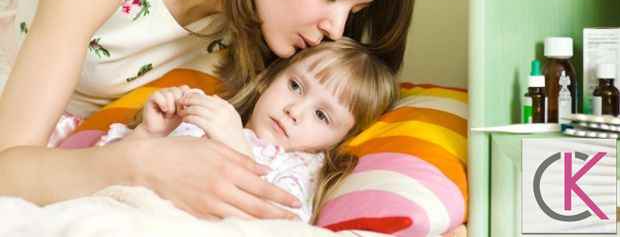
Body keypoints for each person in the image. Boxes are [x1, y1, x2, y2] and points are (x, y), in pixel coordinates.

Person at [0, 0, 416, 219]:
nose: (336, 29)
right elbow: (5, 171)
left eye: (354, 12)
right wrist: (139, 164)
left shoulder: (270, 24)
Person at [93, 38, 397, 223]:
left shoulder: (301, 170)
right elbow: (102, 170)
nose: (294, 111)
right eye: (295, 86)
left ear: (340, 139)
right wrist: (149, 133)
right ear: (269, 79)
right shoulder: (208, 114)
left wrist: (234, 144)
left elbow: (277, 227)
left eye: (321, 115)